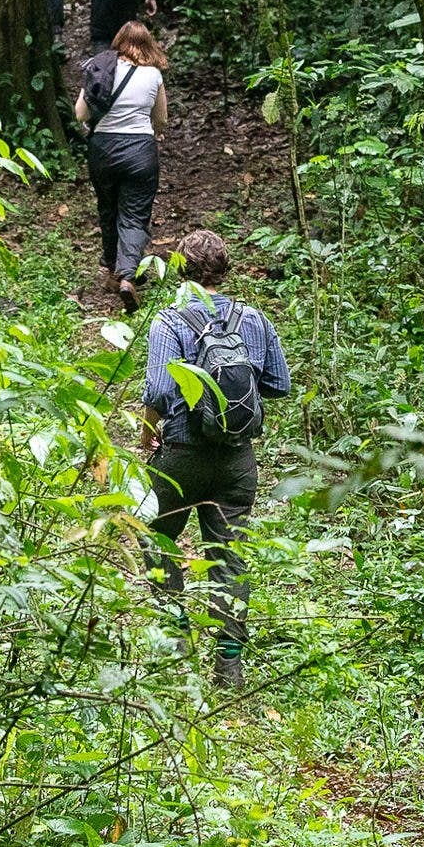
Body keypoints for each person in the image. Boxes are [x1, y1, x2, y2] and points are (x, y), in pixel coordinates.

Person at [141, 230, 291, 688]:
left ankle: (175, 647)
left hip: (181, 455)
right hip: (236, 460)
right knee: (229, 556)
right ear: (226, 270)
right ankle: (229, 667)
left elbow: (160, 393)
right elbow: (278, 384)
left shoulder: (169, 322)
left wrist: (149, 434)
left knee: (156, 538)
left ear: (179, 271)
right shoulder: (255, 319)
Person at [75, 21, 168, 311]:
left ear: (118, 42)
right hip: (140, 151)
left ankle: (113, 271)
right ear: (148, 46)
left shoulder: (99, 70)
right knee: (135, 214)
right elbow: (161, 119)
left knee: (108, 209)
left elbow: (80, 114)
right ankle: (128, 275)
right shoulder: (153, 75)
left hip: (102, 150)